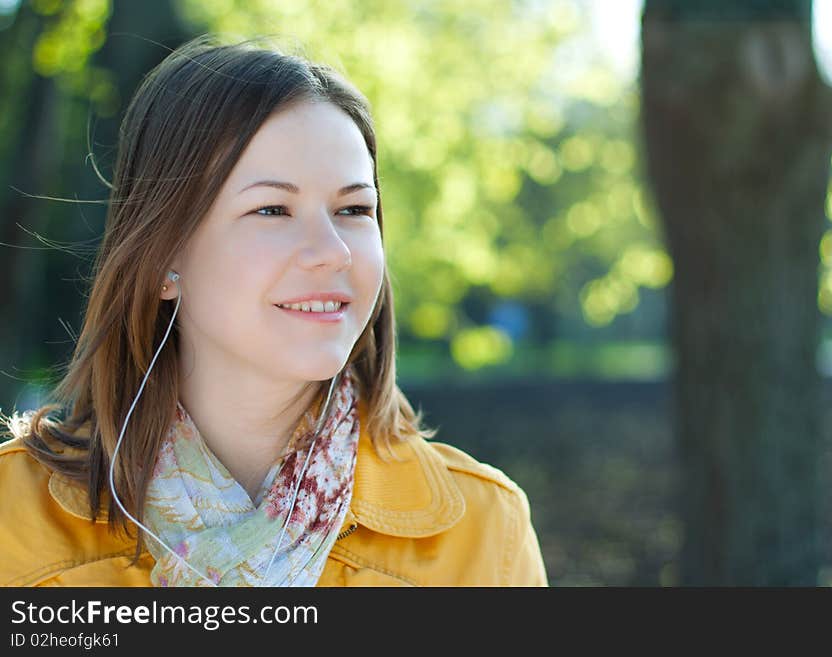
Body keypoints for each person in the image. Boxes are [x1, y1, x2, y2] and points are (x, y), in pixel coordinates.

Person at [0, 35, 548, 587]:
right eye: (272, 209)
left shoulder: (484, 536)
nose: (334, 250)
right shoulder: (11, 522)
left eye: (354, 209)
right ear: (163, 254)